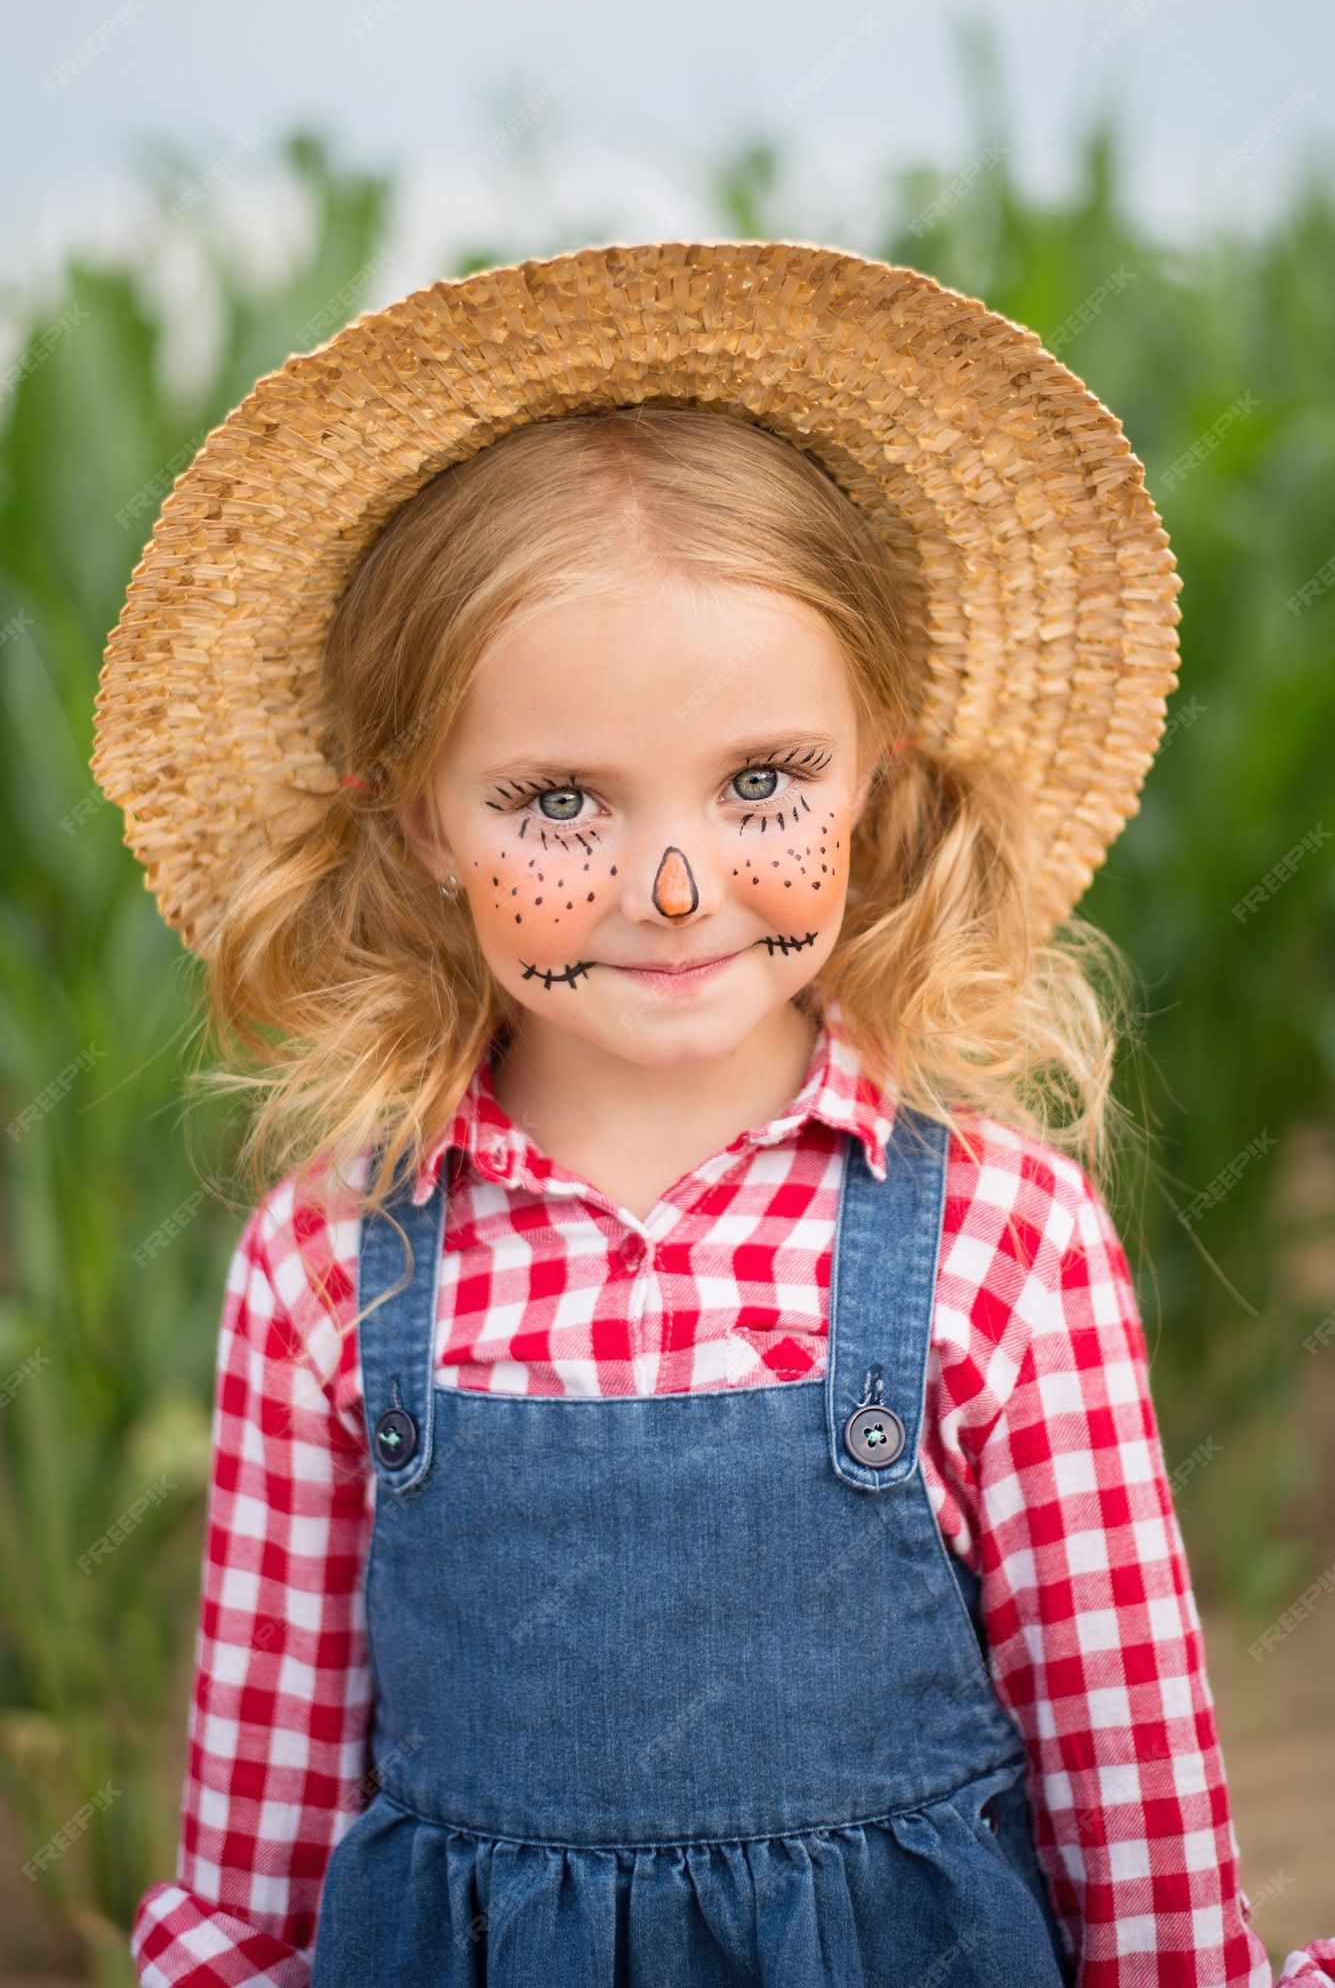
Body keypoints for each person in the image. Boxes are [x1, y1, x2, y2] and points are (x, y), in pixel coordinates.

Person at [93, 244, 1335, 1986]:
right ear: (419, 819)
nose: (675, 886)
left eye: (762, 780)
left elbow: (1144, 1860)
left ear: (876, 762)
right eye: (558, 801)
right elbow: (259, 1878)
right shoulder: (329, 1271)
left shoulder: (1002, 1250)